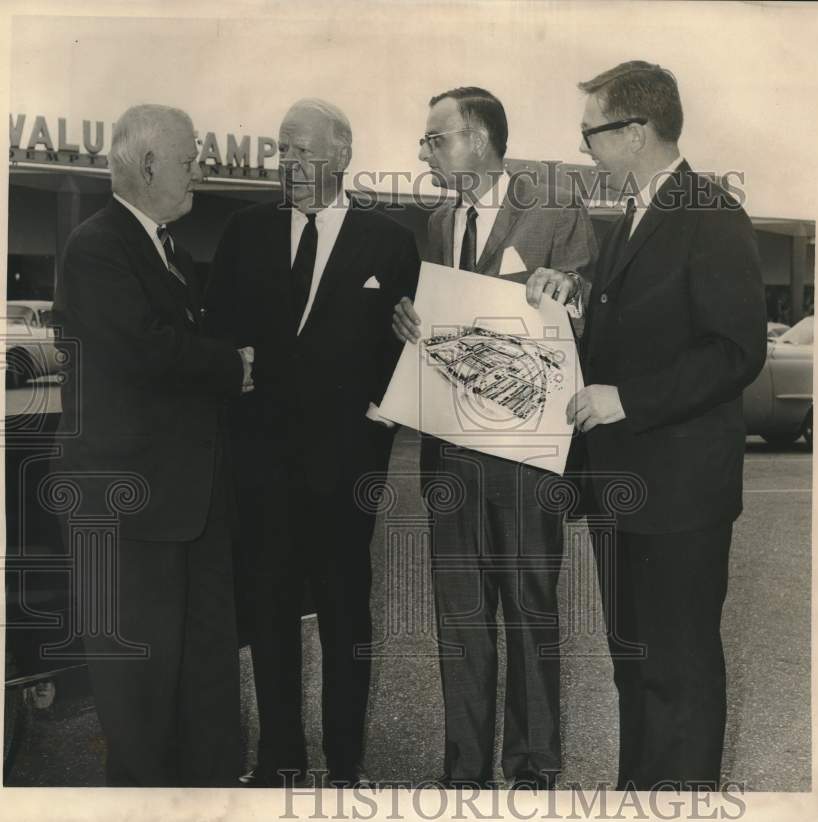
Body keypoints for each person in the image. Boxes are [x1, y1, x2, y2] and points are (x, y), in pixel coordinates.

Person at [560, 61, 767, 791]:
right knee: (634, 666)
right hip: (626, 488)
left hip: (679, 496)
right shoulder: (631, 219)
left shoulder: (710, 213)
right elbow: (641, 332)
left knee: (677, 671)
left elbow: (736, 349)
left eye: (591, 131)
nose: (583, 145)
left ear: (636, 131)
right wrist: (573, 306)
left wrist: (629, 400)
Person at [204, 98, 420, 788]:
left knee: (345, 615)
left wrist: (380, 418)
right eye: (281, 150)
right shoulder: (243, 232)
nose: (287, 163)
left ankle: (347, 760)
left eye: (300, 150)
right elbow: (218, 335)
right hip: (261, 466)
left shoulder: (389, 240)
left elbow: (403, 355)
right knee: (267, 614)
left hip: (346, 469)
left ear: (340, 155)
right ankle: (279, 759)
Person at [392, 86, 598, 789]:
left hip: (527, 458)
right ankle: (465, 771)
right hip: (450, 451)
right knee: (460, 618)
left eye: (436, 138)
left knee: (531, 613)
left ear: (479, 139)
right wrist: (410, 322)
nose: (426, 151)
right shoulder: (440, 221)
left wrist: (567, 286)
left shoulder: (553, 207)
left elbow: (594, 299)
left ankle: (534, 770)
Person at [52, 104, 254, 786]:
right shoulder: (98, 245)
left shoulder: (164, 248)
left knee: (203, 686)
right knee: (139, 704)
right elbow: (145, 350)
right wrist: (236, 367)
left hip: (183, 510)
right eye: (190, 159)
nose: (201, 169)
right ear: (147, 165)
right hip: (129, 518)